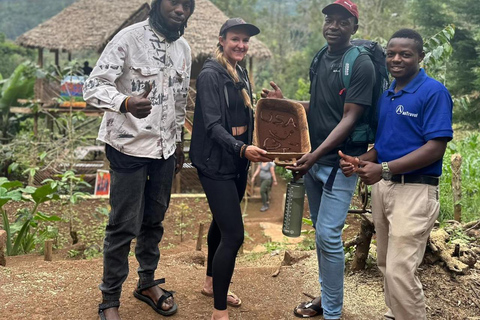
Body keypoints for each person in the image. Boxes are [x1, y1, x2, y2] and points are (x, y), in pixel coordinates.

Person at [261, 1, 376, 318]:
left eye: (343, 21)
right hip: (314, 160)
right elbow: (319, 106)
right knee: (321, 235)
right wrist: (285, 103)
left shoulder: (360, 64)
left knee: (328, 234)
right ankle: (326, 300)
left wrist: (313, 155)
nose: (334, 26)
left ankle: (333, 312)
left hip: (342, 160)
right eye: (330, 19)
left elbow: (350, 117)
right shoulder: (320, 58)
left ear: (355, 27)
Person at [83, 0, 195, 319]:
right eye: (174, 3)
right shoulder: (128, 39)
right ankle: (109, 300)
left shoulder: (183, 49)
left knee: (154, 219)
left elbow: (179, 101)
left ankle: (147, 283)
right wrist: (125, 102)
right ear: (159, 4)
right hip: (127, 147)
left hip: (164, 149)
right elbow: (93, 88)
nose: (180, 10)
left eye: (187, 5)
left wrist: (179, 145)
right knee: (123, 225)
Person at [340, 29, 453, 320]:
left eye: (405, 54)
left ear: (420, 57)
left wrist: (384, 169)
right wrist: (361, 161)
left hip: (415, 192)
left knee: (402, 270)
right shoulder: (388, 95)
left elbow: (435, 148)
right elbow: (384, 145)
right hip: (385, 189)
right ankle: (394, 313)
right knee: (387, 265)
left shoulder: (433, 92)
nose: (396, 59)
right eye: (391, 54)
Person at [190, 18, 271, 320]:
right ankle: (219, 311)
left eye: (245, 41)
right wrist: (240, 148)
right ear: (222, 40)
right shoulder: (211, 74)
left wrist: (268, 104)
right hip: (216, 161)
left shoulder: (240, 72)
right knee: (234, 235)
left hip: (239, 159)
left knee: (220, 224)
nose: (241, 45)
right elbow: (211, 125)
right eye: (235, 39)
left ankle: (211, 283)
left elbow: (246, 113)